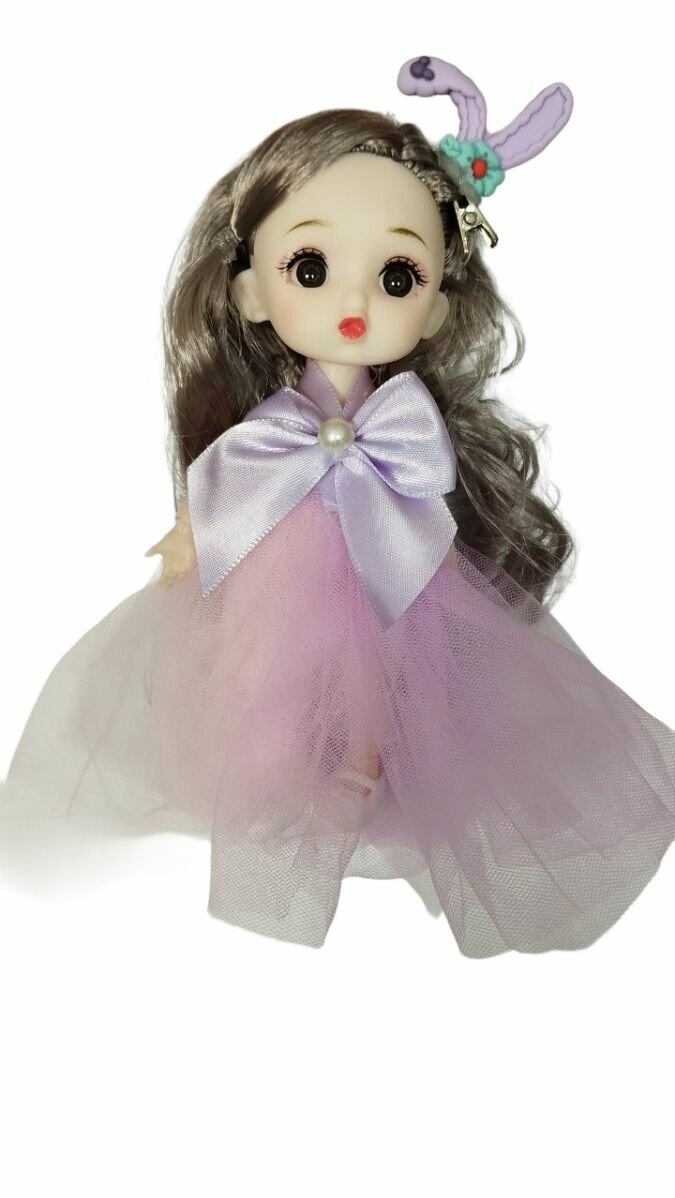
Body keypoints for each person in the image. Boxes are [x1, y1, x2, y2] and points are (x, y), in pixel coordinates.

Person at [2, 61, 674, 956]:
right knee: (265, 673)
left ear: (434, 311)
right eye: (310, 268)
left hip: (388, 565)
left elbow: (420, 496)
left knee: (391, 688)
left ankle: (362, 772)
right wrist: (188, 539)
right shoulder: (273, 427)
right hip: (280, 567)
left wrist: (448, 562)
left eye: (396, 275)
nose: (352, 302)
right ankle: (278, 775)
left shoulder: (403, 428)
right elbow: (235, 479)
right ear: (249, 291)